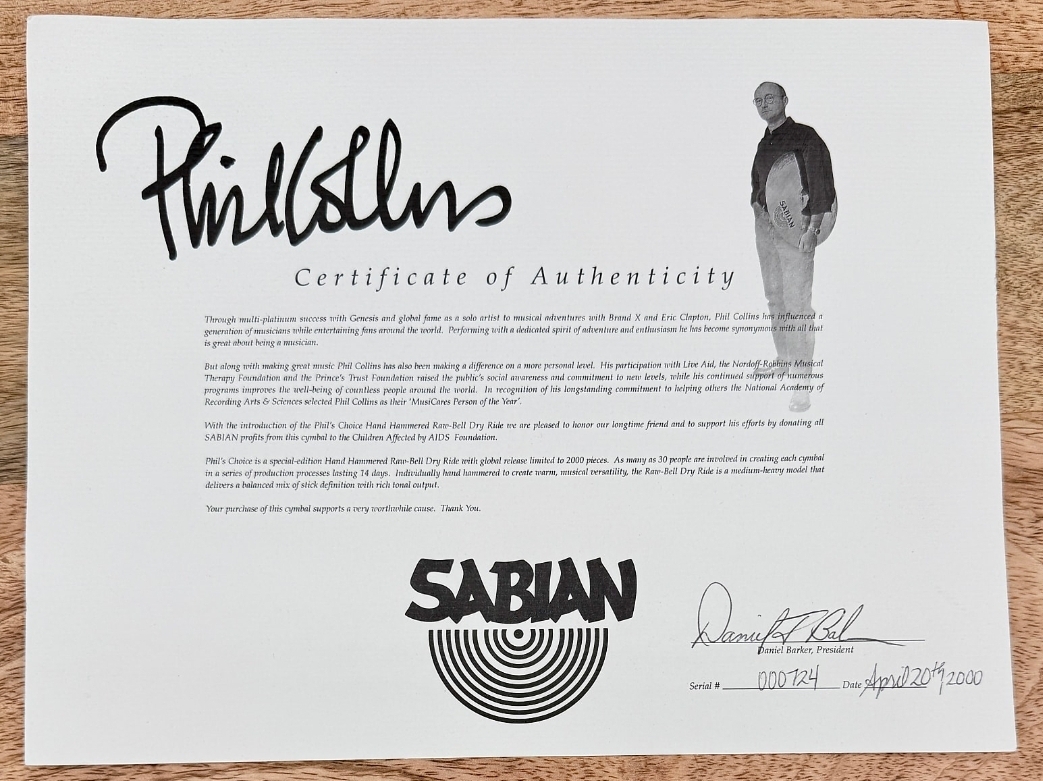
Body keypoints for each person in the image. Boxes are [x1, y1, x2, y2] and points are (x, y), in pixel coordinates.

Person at [750, 82, 835, 412]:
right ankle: (784, 360)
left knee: (798, 305)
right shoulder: (764, 142)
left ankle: (801, 385)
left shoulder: (805, 137)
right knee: (775, 297)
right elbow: (759, 184)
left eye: (769, 98)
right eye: (758, 100)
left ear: (785, 100)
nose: (764, 104)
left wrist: (812, 229)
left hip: (797, 230)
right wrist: (757, 207)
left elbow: (821, 184)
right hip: (766, 229)